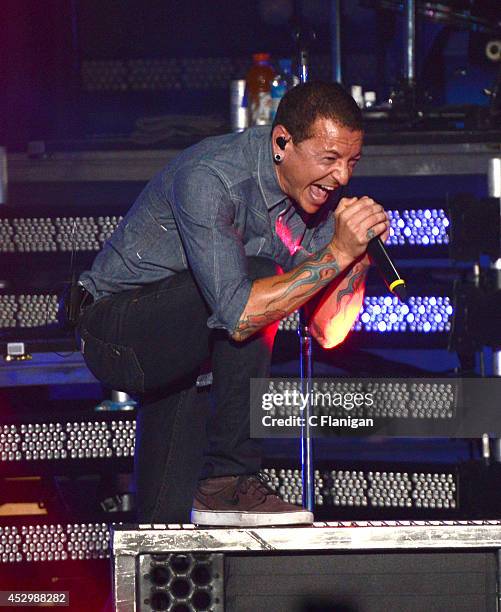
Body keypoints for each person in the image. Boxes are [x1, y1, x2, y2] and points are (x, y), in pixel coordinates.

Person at [77, 81, 389, 527]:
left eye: (351, 162)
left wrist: (356, 258)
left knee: (166, 531)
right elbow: (239, 314)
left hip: (197, 347)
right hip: (116, 330)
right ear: (282, 142)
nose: (342, 177)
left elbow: (328, 332)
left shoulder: (319, 205)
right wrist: (335, 253)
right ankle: (230, 477)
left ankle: (172, 567)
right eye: (329, 159)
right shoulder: (213, 176)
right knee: (259, 274)